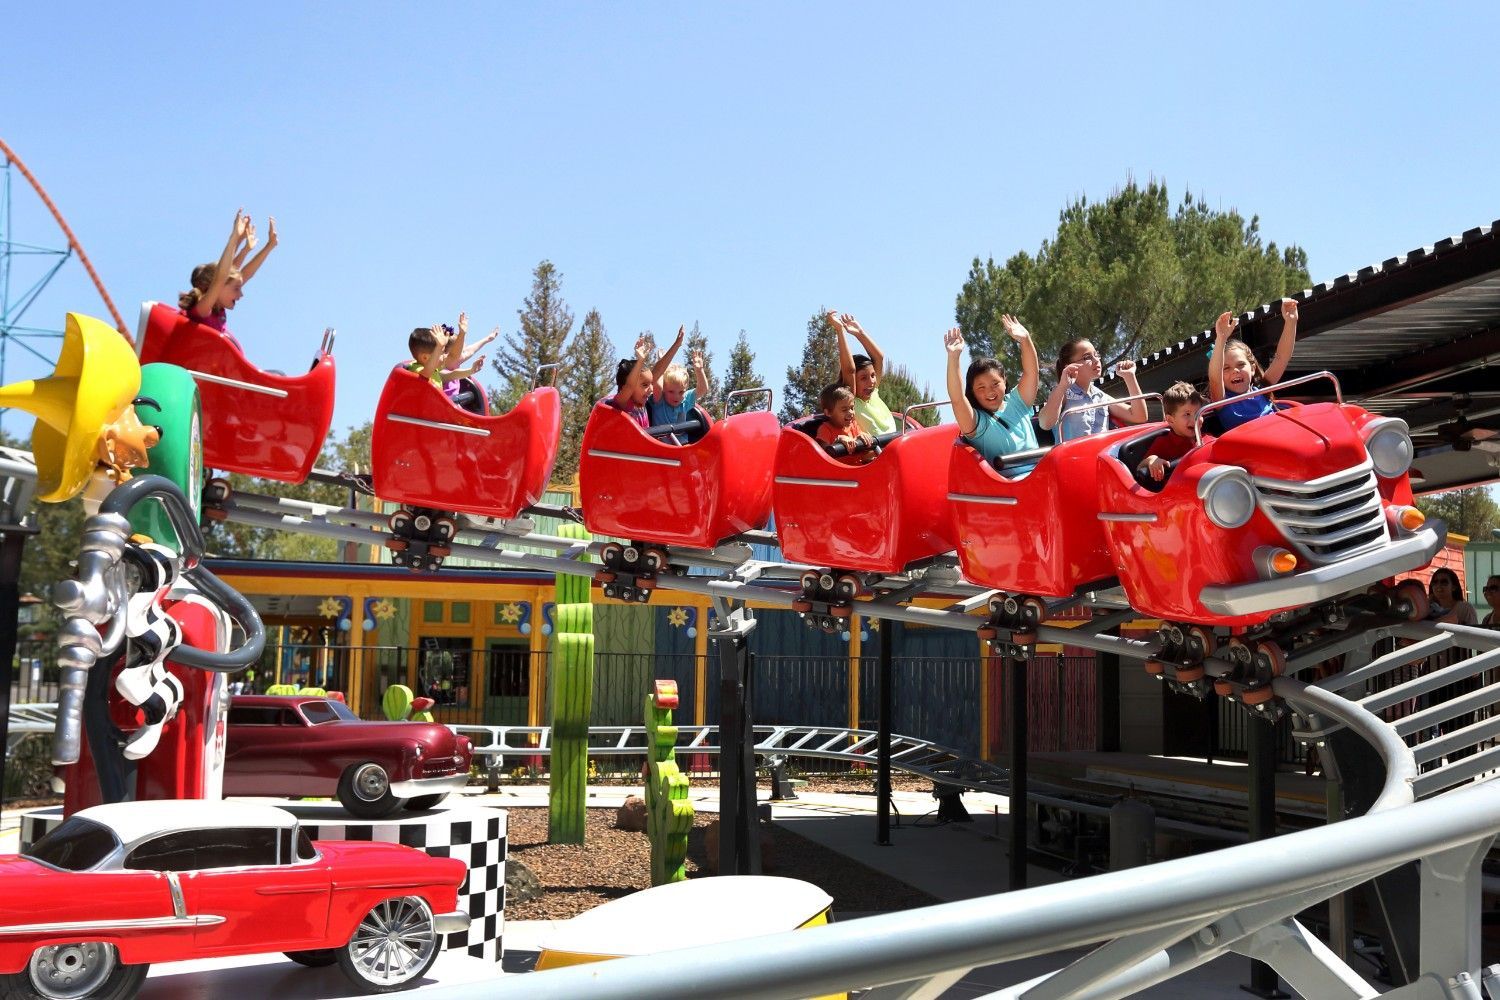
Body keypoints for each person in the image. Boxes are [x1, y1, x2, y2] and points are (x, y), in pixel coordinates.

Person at [943, 319, 1040, 476]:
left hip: (1042, 476)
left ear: (1004, 381)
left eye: (995, 384)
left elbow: (1031, 372)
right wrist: (953, 357)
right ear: (972, 391)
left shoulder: (1017, 402)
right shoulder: (977, 422)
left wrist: (1025, 340)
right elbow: (957, 399)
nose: (990, 392)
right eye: (981, 387)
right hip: (1011, 490)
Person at [178, 209, 278, 337]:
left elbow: (242, 274)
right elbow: (222, 276)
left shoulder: (219, 310)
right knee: (227, 276)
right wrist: (235, 238)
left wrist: (269, 246)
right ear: (216, 286)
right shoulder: (202, 309)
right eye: (236, 288)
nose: (241, 294)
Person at [1207, 298, 1299, 432]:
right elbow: (1214, 379)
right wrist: (1221, 338)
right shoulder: (1222, 400)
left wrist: (1291, 322)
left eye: (1240, 364)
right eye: (1226, 368)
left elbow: (1281, 358)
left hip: (1277, 436)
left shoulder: (1262, 390)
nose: (1235, 371)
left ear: (1252, 368)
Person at [1038, 339, 1146, 442]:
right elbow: (1045, 424)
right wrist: (1062, 387)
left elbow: (1139, 416)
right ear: (1069, 366)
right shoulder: (1062, 393)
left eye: (1096, 355)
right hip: (1073, 458)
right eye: (1087, 357)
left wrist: (1130, 377)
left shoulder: (1101, 396)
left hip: (1101, 457)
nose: (1096, 360)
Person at [831, 312, 899, 436]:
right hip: (876, 452)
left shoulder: (873, 393)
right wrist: (840, 331)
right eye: (863, 378)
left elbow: (879, 358)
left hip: (895, 444)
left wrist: (860, 333)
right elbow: (849, 369)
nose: (871, 381)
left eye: (873, 375)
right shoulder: (852, 401)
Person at [606, 328, 684, 429]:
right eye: (645, 385)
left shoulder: (640, 401)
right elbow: (630, 386)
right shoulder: (622, 402)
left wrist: (677, 345)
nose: (651, 388)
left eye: (650, 384)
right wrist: (640, 361)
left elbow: (659, 370)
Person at [1137, 382, 1208, 483]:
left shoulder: (1206, 437)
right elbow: (1140, 467)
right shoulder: (1163, 443)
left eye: (1198, 413)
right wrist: (1152, 460)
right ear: (1170, 420)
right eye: (1187, 414)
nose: (1195, 419)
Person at [406, 314, 486, 400]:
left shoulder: (435, 371)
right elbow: (424, 375)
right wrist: (439, 346)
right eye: (440, 353)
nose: (444, 356)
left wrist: (462, 334)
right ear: (425, 358)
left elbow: (453, 364)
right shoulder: (416, 369)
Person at [648, 349, 709, 440]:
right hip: (661, 448)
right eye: (671, 392)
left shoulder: (685, 400)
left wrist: (699, 370)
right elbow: (657, 385)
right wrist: (662, 363)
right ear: (664, 389)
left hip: (682, 447)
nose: (676, 396)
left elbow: (702, 389)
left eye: (681, 392)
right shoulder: (660, 399)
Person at [814, 383, 875, 465]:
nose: (851, 412)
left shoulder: (853, 425)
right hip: (838, 474)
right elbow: (823, 455)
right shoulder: (825, 429)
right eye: (844, 409)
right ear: (828, 412)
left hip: (858, 469)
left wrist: (864, 439)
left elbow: (864, 454)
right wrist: (838, 440)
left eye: (852, 408)